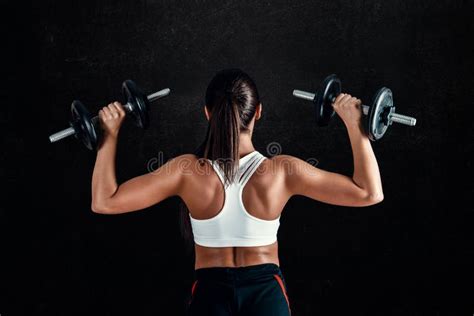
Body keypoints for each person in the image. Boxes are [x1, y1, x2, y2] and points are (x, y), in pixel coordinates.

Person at [91, 69, 383, 315]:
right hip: (266, 294)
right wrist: (355, 125)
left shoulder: (185, 172)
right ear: (258, 111)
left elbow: (105, 202)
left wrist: (109, 134)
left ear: (207, 113)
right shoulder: (282, 172)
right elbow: (369, 193)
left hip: (210, 294)